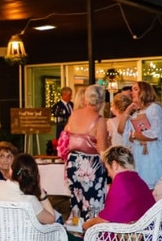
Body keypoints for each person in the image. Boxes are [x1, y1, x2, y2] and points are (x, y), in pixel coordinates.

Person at [82, 146, 155, 231]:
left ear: (114, 165)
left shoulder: (120, 181)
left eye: (108, 169)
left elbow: (105, 220)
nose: (108, 174)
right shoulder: (139, 181)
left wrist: (87, 224)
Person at [64, 84, 109, 221]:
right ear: (102, 101)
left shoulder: (75, 114)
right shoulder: (99, 120)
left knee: (76, 202)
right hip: (90, 165)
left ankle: (76, 231)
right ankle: (92, 233)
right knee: (93, 202)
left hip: (72, 162)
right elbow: (102, 149)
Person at [117, 81, 162, 189]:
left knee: (155, 187)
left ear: (144, 91)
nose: (132, 92)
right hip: (140, 155)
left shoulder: (154, 108)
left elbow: (155, 133)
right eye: (132, 90)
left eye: (135, 89)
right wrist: (128, 110)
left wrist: (135, 135)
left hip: (153, 154)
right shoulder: (136, 113)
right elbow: (121, 129)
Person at [0, 153, 57, 224]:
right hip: (21, 235)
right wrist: (42, 193)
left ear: (11, 170)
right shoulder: (30, 201)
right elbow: (51, 220)